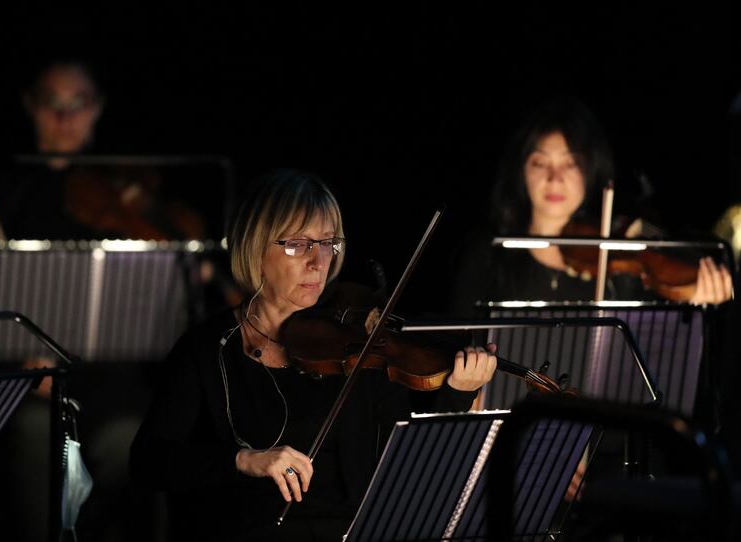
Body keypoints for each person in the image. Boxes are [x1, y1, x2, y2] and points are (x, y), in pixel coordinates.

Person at [129, 169, 498, 541]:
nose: (319, 261)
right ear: (256, 247)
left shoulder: (360, 344)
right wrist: (244, 460)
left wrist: (458, 392)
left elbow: (408, 468)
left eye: (328, 243)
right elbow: (149, 462)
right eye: (298, 244)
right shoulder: (207, 349)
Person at [449, 98, 733, 312]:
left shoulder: (619, 265)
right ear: (521, 170)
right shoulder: (488, 255)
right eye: (540, 162)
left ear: (590, 170)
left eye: (570, 163)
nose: (554, 179)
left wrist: (698, 300)